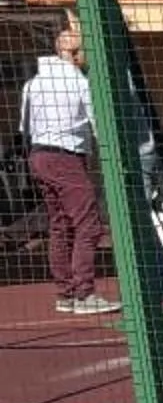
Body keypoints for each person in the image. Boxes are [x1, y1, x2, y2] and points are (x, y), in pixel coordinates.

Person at [20, 24, 121, 318]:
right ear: (75, 55)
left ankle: (65, 293)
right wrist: (110, 155)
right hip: (66, 157)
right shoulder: (80, 82)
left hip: (38, 155)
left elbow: (25, 127)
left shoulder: (32, 84)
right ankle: (84, 293)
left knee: (59, 225)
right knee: (89, 224)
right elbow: (97, 123)